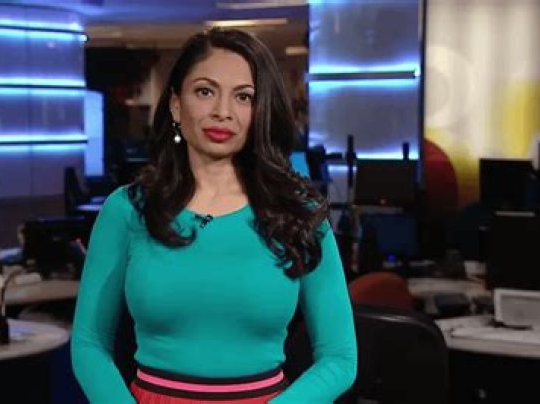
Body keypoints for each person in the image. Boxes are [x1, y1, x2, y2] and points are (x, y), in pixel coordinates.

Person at [71, 28, 357, 403]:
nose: (223, 112)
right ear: (176, 105)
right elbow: (89, 342)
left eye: (243, 96)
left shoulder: (298, 214)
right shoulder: (127, 209)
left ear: (260, 111)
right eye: (205, 91)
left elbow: (339, 357)